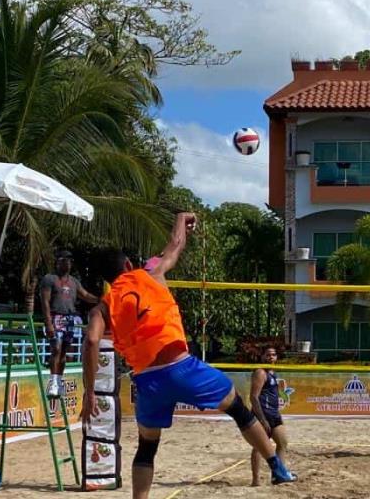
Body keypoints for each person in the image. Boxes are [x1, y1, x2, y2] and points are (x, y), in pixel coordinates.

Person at [79, 213, 296, 499]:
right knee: (239, 410)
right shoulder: (152, 274)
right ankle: (276, 467)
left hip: (147, 381)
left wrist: (89, 391)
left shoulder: (103, 306)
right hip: (182, 367)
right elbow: (176, 243)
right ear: (130, 265)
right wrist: (183, 219)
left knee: (147, 448)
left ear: (105, 279)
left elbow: (92, 340)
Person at [41, 249, 98, 398]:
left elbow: (85, 295)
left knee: (65, 352)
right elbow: (45, 302)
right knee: (56, 349)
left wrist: (101, 300)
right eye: (63, 260)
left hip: (69, 317)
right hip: (55, 316)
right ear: (57, 262)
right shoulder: (50, 279)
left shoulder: (73, 281)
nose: (67, 263)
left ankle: (59, 382)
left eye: (69, 260)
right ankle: (53, 381)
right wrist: (48, 323)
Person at [250, 347, 291, 486]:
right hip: (262, 415)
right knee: (259, 447)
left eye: (273, 355)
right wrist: (262, 419)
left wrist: (278, 414)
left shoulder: (272, 372)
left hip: (274, 414)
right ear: (262, 356)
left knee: (282, 443)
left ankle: (278, 475)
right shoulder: (260, 372)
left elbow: (273, 396)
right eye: (268, 354)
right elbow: (254, 397)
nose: (271, 357)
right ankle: (255, 480)